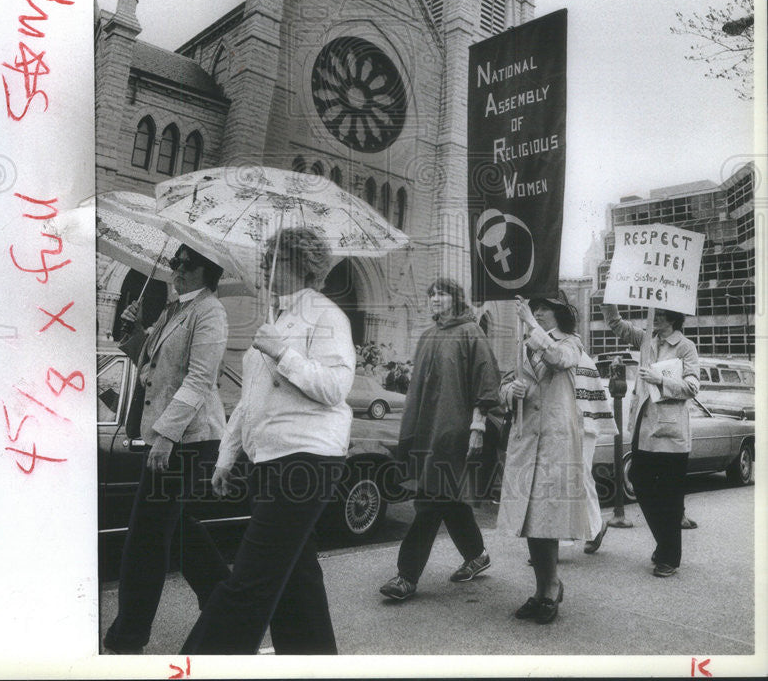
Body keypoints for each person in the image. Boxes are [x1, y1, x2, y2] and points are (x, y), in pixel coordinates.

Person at [181, 226, 355, 655]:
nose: (265, 267)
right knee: (297, 576)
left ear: (300, 265)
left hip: (306, 460)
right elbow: (249, 402)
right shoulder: (274, 320)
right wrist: (226, 456)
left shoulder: (327, 315)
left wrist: (283, 353)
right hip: (270, 459)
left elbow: (335, 388)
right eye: (265, 259)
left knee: (249, 580)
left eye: (273, 259)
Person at [103, 244, 231, 654]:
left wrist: (166, 436)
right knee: (172, 528)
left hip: (190, 439)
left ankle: (128, 637)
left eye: (182, 263)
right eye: (174, 261)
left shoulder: (211, 312)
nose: (174, 268)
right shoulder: (175, 308)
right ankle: (221, 598)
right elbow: (148, 363)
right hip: (170, 435)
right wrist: (134, 330)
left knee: (145, 537)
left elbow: (199, 379)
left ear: (202, 271)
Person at [379, 278, 500, 601]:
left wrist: (478, 425)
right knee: (447, 497)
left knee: (429, 501)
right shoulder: (429, 335)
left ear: (456, 299)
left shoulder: (470, 332)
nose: (434, 299)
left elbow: (486, 380)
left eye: (441, 293)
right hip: (425, 427)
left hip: (454, 430)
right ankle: (477, 555)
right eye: (431, 294)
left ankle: (406, 576)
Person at [497, 294, 588, 625]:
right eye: (534, 309)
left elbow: (558, 359)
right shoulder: (523, 344)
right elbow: (506, 384)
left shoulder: (571, 342)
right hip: (527, 440)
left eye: (543, 309)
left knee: (546, 518)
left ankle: (549, 588)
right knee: (530, 520)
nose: (536, 313)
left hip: (554, 441)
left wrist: (532, 326)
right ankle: (543, 588)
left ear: (559, 313)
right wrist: (511, 392)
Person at [601, 303, 700, 577]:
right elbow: (618, 326)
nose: (651, 317)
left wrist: (659, 379)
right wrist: (609, 302)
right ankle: (665, 544)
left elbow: (693, 386)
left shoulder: (685, 347)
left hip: (671, 434)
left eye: (656, 313)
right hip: (643, 430)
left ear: (669, 317)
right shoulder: (647, 340)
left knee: (669, 496)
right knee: (641, 484)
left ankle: (668, 557)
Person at [575, 346, 618, 554]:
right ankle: (549, 542)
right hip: (557, 425)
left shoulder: (579, 357)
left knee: (581, 478)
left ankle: (595, 526)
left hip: (583, 426)